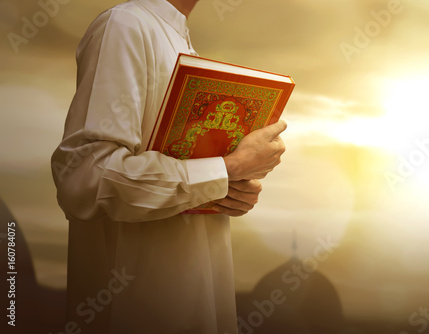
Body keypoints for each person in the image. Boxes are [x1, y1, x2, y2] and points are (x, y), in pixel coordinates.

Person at [50, 0, 287, 333]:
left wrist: (230, 190)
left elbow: (195, 170)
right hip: (136, 308)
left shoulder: (180, 40)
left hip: (197, 298)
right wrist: (226, 170)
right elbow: (85, 177)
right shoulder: (125, 25)